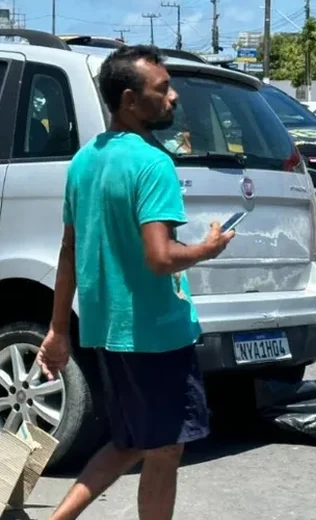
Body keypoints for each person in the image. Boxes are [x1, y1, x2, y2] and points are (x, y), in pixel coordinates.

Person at [36, 45, 234, 520]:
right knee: (164, 449)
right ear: (129, 99)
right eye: (162, 89)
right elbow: (161, 257)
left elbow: (68, 252)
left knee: (131, 441)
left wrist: (59, 329)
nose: (173, 97)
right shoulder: (153, 164)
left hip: (109, 330)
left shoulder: (85, 161)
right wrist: (206, 249)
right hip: (155, 334)